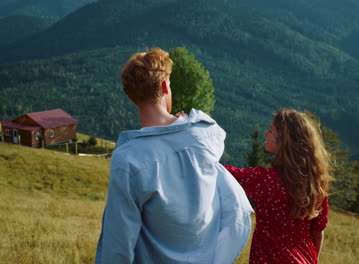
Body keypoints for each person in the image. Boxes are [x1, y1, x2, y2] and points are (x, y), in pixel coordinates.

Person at [95, 47, 253, 263]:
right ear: (163, 86)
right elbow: (215, 132)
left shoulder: (128, 160)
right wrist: (183, 123)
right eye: (169, 84)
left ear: (132, 96)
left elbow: (118, 243)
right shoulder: (205, 134)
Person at [224, 109, 331, 264]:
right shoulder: (316, 183)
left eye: (270, 131)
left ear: (283, 140)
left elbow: (223, 172)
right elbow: (318, 232)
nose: (265, 134)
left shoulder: (265, 180)